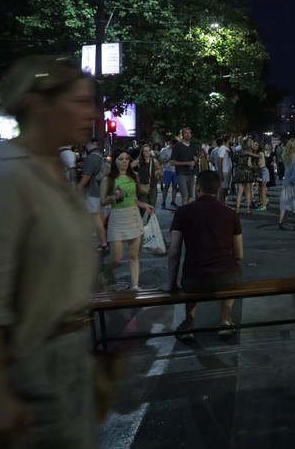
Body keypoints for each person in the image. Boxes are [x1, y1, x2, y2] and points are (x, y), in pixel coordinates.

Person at [0, 56, 99, 447]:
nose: (92, 113)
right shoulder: (8, 175)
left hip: (73, 356)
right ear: (39, 104)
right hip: (32, 367)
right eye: (79, 101)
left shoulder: (55, 168)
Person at [162, 171, 243, 339]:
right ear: (218, 189)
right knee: (232, 268)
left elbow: (174, 252)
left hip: (194, 279)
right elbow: (239, 254)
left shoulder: (183, 212)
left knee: (191, 272)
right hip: (226, 278)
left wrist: (171, 283)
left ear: (198, 187)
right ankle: (225, 321)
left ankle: (189, 323)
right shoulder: (231, 213)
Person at [100, 148, 156, 291]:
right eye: (121, 159)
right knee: (116, 258)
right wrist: (111, 198)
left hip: (133, 216)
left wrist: (145, 205)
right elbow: (102, 201)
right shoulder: (108, 179)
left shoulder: (134, 176)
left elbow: (133, 199)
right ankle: (104, 276)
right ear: (115, 161)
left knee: (134, 255)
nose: (124, 161)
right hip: (117, 218)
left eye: (126, 159)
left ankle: (135, 285)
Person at [77, 137, 109, 255]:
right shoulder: (101, 156)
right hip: (103, 191)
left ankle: (104, 244)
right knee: (101, 217)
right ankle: (105, 241)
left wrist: (77, 188)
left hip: (93, 191)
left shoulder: (90, 158)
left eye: (86, 143)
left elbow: (86, 176)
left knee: (96, 218)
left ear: (90, 143)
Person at [171, 127, 200, 205]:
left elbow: (195, 161)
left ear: (191, 135)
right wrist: (187, 163)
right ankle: (185, 212)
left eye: (189, 133)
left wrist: (196, 159)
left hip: (191, 173)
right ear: (182, 134)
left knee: (189, 197)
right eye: (185, 133)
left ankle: (185, 210)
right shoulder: (177, 146)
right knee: (185, 196)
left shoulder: (194, 147)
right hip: (181, 173)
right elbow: (172, 162)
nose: (187, 134)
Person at [133, 143, 162, 216]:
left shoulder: (154, 161)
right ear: (142, 152)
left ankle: (150, 222)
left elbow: (160, 168)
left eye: (148, 151)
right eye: (145, 151)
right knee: (142, 208)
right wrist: (135, 174)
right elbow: (128, 168)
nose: (147, 152)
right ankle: (139, 221)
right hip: (142, 186)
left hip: (152, 185)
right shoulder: (138, 161)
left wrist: (156, 172)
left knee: (152, 206)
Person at [232, 137, 258, 215]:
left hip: (239, 172)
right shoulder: (249, 152)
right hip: (247, 172)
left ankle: (237, 209)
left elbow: (234, 160)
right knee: (248, 191)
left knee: (239, 191)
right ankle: (248, 209)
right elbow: (249, 164)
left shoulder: (238, 151)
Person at [159, 138, 180, 208]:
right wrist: (169, 159)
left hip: (176, 170)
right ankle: (163, 202)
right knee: (166, 186)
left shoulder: (178, 150)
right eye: (174, 145)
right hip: (168, 170)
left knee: (175, 187)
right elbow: (161, 160)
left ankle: (173, 202)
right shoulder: (164, 150)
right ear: (171, 144)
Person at [216, 134, 233, 202]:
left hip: (228, 171)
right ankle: (221, 203)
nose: (233, 141)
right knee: (223, 188)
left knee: (225, 188)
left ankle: (223, 203)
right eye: (232, 139)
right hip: (224, 171)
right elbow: (219, 160)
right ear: (228, 140)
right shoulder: (223, 148)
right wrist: (221, 173)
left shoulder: (227, 149)